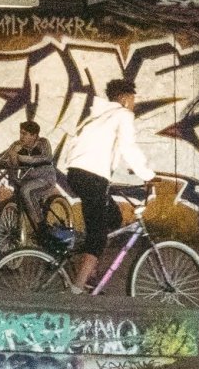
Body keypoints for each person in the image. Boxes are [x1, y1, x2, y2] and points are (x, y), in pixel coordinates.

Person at [63, 78, 157, 294]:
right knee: (98, 237)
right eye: (132, 99)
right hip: (93, 177)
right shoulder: (123, 114)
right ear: (124, 99)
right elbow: (127, 146)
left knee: (112, 217)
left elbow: (100, 149)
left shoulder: (97, 116)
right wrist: (147, 174)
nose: (133, 104)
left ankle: (89, 269)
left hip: (76, 174)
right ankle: (77, 290)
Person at [0, 120, 58, 233]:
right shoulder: (16, 145)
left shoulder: (43, 143)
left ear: (34, 135)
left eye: (24, 134)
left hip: (45, 179)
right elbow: (1, 162)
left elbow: (46, 158)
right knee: (19, 194)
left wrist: (20, 158)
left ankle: (42, 229)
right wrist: (12, 158)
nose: (21, 137)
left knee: (26, 191)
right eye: (21, 133)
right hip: (25, 179)